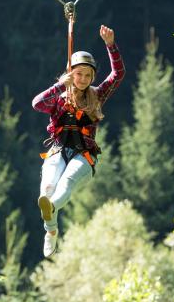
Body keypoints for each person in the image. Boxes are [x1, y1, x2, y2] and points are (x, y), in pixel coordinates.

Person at [31, 24, 125, 257]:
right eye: (78, 74)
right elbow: (37, 104)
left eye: (87, 75)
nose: (82, 79)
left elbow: (118, 74)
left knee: (68, 182)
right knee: (48, 187)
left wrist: (111, 45)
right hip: (58, 150)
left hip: (84, 155)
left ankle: (51, 209)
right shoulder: (59, 96)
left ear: (92, 77)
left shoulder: (97, 95)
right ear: (70, 74)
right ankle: (51, 230)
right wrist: (60, 85)